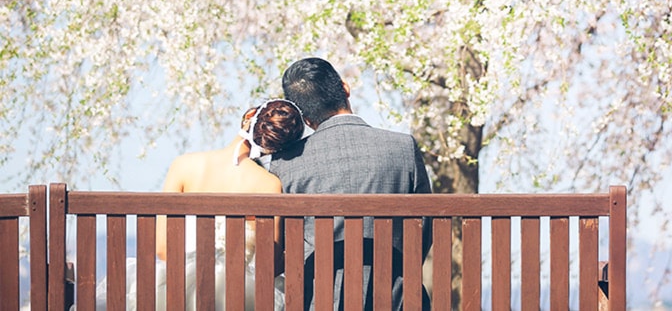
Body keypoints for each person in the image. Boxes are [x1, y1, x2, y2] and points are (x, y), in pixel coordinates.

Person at [84, 99, 311, 311]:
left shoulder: (184, 165)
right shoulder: (269, 184)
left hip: (174, 292)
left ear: (249, 117)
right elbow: (268, 265)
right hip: (240, 297)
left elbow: (163, 249)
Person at [261, 57, 433, 311]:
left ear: (304, 118)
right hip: (397, 301)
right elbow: (423, 232)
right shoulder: (403, 147)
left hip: (315, 303)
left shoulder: (284, 163)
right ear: (345, 88)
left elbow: (279, 245)